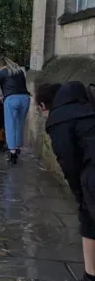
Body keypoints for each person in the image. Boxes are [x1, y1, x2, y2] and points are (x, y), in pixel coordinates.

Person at [35, 81, 95, 281]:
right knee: (88, 220)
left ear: (44, 106)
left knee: (88, 217)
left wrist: (79, 194)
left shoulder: (59, 120)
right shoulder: (87, 106)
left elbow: (68, 164)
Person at [0, 56, 30, 163]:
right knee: (19, 124)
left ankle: (12, 152)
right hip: (25, 99)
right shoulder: (19, 72)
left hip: (12, 100)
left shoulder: (2, 72)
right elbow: (19, 87)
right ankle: (17, 148)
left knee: (10, 125)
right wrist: (4, 96)